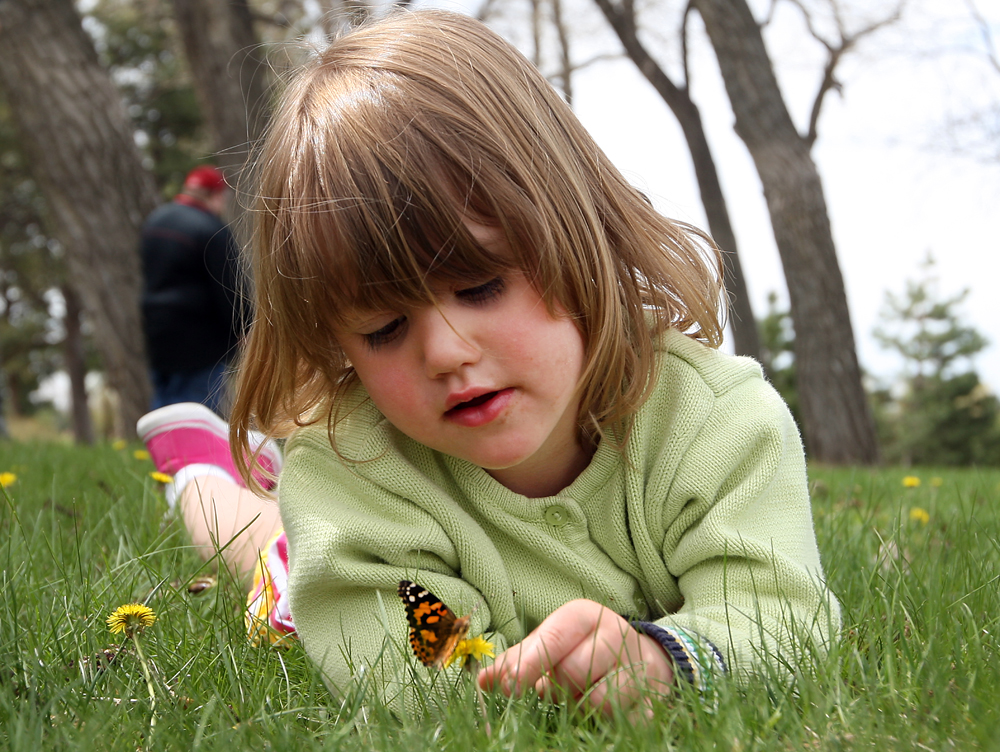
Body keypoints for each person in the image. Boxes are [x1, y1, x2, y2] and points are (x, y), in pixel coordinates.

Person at [138, 9, 840, 719]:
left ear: (577, 225)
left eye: (480, 286)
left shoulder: (715, 422)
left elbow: (778, 610)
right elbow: (410, 663)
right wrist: (534, 699)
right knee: (260, 552)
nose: (446, 352)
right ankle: (201, 469)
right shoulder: (353, 473)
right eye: (383, 328)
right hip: (324, 559)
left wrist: (667, 663)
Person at [139, 165, 247, 415]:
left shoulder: (155, 222)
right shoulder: (211, 229)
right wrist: (244, 326)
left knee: (165, 408)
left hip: (159, 334)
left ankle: (164, 455)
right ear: (215, 195)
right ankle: (192, 455)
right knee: (197, 412)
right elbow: (229, 289)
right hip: (200, 342)